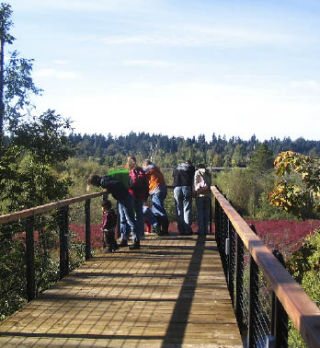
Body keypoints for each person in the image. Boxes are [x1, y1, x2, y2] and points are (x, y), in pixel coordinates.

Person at [87, 174, 140, 250]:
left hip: (124, 199)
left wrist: (109, 189)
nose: (95, 186)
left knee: (130, 220)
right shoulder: (104, 178)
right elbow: (117, 183)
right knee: (123, 220)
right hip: (123, 198)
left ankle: (136, 242)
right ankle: (124, 240)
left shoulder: (103, 183)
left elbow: (117, 183)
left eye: (93, 184)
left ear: (94, 182)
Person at [142, 159, 169, 235]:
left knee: (159, 210)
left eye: (143, 166)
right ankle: (158, 229)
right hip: (162, 189)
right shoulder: (156, 169)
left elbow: (140, 174)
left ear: (145, 165)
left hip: (156, 189)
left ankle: (164, 230)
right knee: (156, 209)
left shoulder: (149, 168)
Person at [126, 156, 149, 242]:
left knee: (129, 216)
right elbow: (146, 184)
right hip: (140, 196)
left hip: (130, 195)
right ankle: (141, 234)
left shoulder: (127, 171)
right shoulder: (141, 170)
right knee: (139, 215)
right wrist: (146, 195)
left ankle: (129, 235)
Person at [172, 160, 195, 235]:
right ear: (189, 163)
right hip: (186, 187)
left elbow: (173, 176)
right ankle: (187, 229)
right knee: (187, 208)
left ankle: (181, 230)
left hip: (176, 188)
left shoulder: (176, 167)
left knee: (178, 209)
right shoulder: (191, 167)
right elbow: (193, 180)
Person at [194, 164, 212, 235]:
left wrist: (195, 191)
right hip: (208, 196)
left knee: (200, 214)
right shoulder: (208, 173)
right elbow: (210, 184)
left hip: (200, 196)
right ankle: (206, 230)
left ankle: (201, 231)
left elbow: (196, 184)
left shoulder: (197, 172)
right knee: (206, 214)